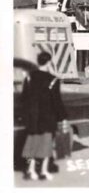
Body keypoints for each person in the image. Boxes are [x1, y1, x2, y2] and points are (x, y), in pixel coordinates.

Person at [21, 51, 67, 181]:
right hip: (47, 118)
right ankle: (43, 171)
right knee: (46, 146)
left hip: (33, 118)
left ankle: (30, 171)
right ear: (49, 62)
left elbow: (24, 98)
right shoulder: (53, 79)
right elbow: (57, 102)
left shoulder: (29, 77)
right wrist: (62, 118)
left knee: (32, 144)